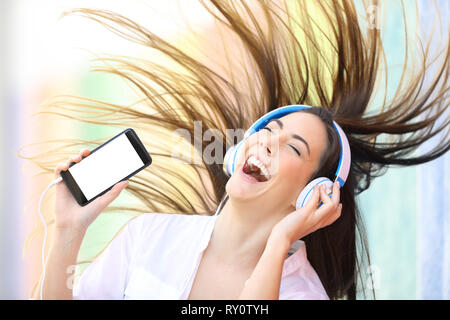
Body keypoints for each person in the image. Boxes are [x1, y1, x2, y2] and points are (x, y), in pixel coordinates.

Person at [21, 0, 449, 300]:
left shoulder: (301, 292)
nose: (267, 140)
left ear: (311, 194)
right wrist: (66, 231)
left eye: (292, 147)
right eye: (268, 130)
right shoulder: (148, 236)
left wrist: (282, 239)